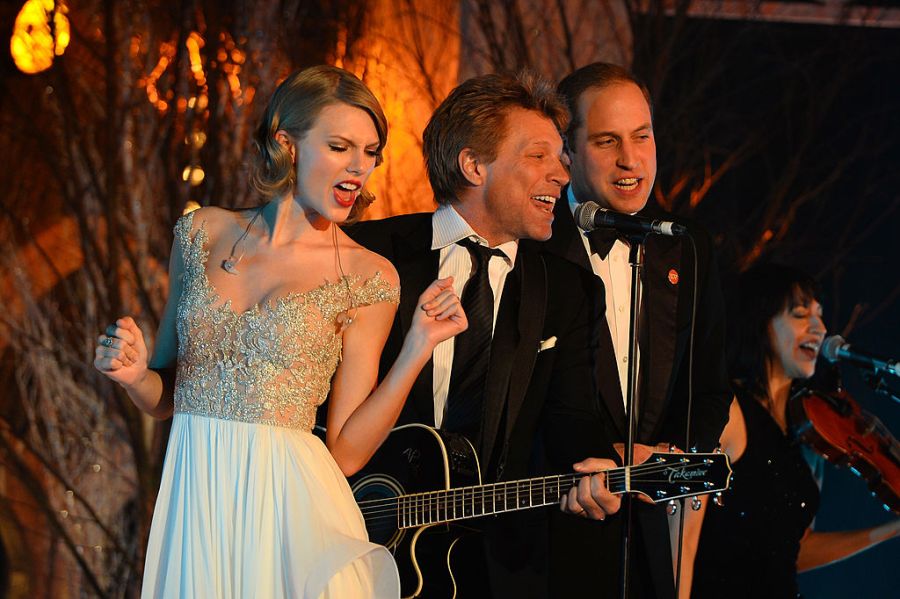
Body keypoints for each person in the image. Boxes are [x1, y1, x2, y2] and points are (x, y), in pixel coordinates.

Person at [92, 65, 468, 599]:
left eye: (370, 152)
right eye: (339, 147)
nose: (359, 167)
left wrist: (417, 347)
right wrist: (133, 375)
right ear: (287, 144)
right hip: (196, 503)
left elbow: (346, 452)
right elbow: (168, 396)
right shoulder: (201, 232)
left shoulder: (367, 276)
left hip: (289, 519)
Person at [347, 71, 621, 598]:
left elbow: (572, 416)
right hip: (357, 551)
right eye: (538, 156)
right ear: (473, 165)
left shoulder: (568, 291)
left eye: (561, 157)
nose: (561, 174)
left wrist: (597, 466)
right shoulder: (366, 253)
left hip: (494, 569)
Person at [539, 62, 733, 598]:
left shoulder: (687, 244)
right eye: (607, 141)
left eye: (641, 136)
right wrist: (603, 458)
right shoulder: (534, 245)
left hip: (646, 541)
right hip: (549, 534)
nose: (631, 159)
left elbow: (710, 386)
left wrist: (670, 456)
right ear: (567, 151)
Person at [680, 263, 900, 599]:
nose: (820, 328)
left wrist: (893, 530)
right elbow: (683, 539)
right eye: (800, 314)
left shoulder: (807, 435)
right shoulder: (727, 411)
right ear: (760, 321)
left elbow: (794, 551)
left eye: (820, 316)